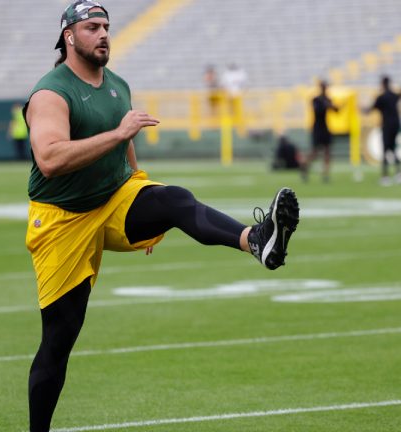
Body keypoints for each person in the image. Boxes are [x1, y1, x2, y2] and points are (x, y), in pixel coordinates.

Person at [22, 2, 300, 431]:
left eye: (107, 27)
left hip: (115, 197)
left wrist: (144, 200)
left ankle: (257, 239)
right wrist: (118, 133)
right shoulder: (50, 92)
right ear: (69, 36)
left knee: (174, 200)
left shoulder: (117, 85)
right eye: (92, 27)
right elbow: (50, 159)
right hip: (63, 219)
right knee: (59, 340)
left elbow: (126, 150)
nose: (103, 34)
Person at [366, 76, 401, 185]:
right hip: (395, 125)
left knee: (386, 150)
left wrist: (363, 109)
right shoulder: (395, 96)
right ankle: (398, 174)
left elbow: (372, 108)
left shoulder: (381, 97)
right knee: (393, 149)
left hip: (387, 125)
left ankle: (385, 176)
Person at [303, 80, 338, 183]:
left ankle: (325, 174)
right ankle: (305, 166)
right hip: (317, 128)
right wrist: (327, 106)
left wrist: (335, 107)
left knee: (327, 151)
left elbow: (335, 110)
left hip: (325, 128)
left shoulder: (327, 99)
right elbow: (317, 110)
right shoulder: (316, 99)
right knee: (315, 152)